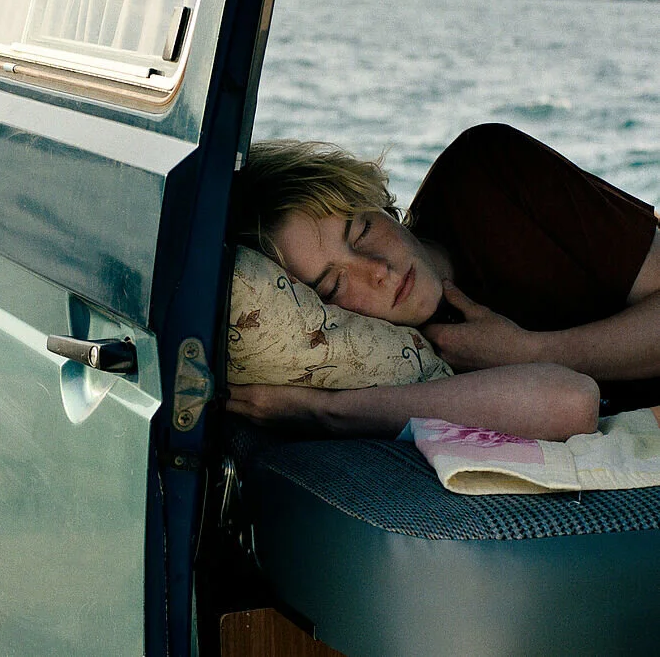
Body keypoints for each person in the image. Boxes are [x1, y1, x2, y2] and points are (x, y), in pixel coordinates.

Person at [226, 123, 660, 443]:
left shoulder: (487, 173)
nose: (376, 270)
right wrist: (322, 410)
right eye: (334, 286)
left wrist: (526, 350)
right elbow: (568, 402)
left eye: (361, 230)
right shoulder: (387, 357)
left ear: (374, 200)